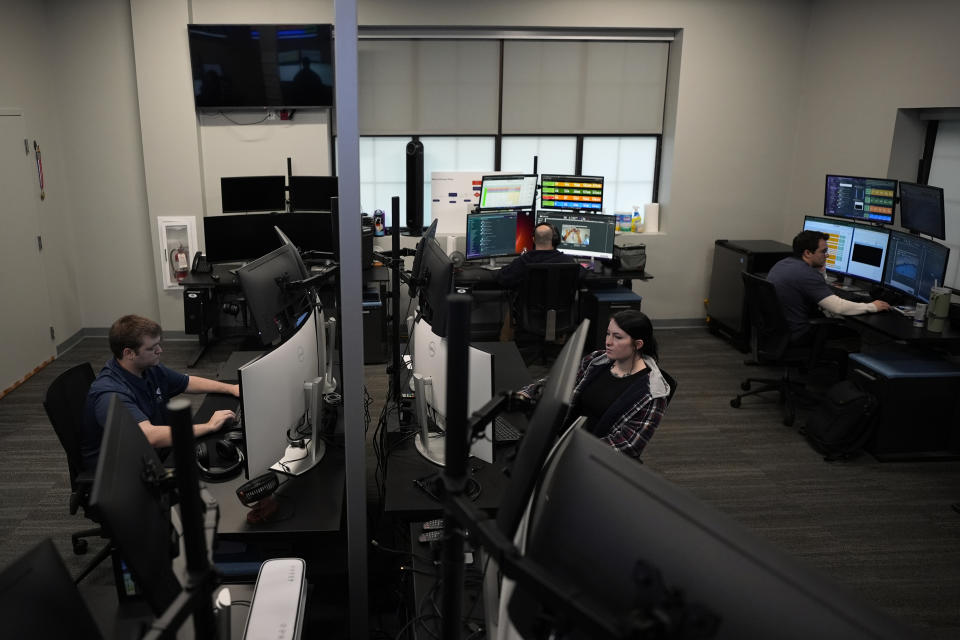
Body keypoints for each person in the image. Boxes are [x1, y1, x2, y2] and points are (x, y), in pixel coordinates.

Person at [80, 314, 239, 470]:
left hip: (153, 451)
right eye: (152, 348)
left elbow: (187, 382)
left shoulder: (148, 368)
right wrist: (209, 426)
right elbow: (148, 436)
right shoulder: (111, 393)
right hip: (120, 469)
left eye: (159, 344)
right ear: (129, 353)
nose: (160, 350)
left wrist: (231, 388)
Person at [517, 309, 671, 459]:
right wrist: (527, 393)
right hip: (559, 438)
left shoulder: (653, 394)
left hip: (587, 456)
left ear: (638, 344)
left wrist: (566, 449)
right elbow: (560, 382)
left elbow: (627, 445)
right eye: (608, 334)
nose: (608, 342)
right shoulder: (597, 360)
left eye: (617, 337)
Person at [766, 230, 889, 344]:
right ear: (808, 253)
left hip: (779, 331)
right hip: (799, 333)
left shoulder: (783, 264)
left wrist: (819, 271)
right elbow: (838, 307)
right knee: (852, 333)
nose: (827, 256)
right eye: (823, 251)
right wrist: (872, 306)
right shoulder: (806, 274)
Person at [496, 223, 579, 289]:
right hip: (562, 310)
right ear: (555, 240)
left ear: (533, 239)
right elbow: (585, 275)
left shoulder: (524, 261)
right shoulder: (568, 261)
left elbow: (502, 278)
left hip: (527, 310)